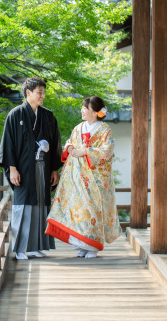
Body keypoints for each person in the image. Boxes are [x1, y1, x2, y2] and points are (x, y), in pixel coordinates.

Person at [45, 96, 120, 258]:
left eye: (85, 109)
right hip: (78, 178)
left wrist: (85, 151)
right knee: (79, 209)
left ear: (95, 112)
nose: (82, 111)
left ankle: (92, 247)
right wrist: (70, 147)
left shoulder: (104, 130)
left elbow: (107, 150)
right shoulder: (78, 128)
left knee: (92, 209)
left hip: (95, 178)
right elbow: (69, 142)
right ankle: (82, 245)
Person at [0, 77, 61, 260]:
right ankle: (20, 248)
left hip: (43, 168)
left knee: (40, 205)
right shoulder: (15, 115)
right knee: (23, 206)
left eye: (43, 92)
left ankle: (35, 246)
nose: (42, 95)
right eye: (39, 92)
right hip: (23, 169)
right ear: (28, 93)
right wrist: (12, 168)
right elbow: (8, 143)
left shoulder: (48, 116)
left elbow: (55, 143)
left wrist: (55, 169)